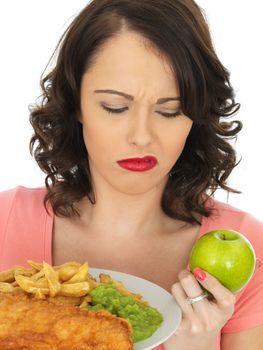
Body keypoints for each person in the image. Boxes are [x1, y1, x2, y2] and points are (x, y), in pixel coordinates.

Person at [0, 0, 262, 349]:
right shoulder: (6, 222)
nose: (141, 136)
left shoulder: (249, 250)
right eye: (116, 107)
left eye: (170, 110)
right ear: (76, 102)